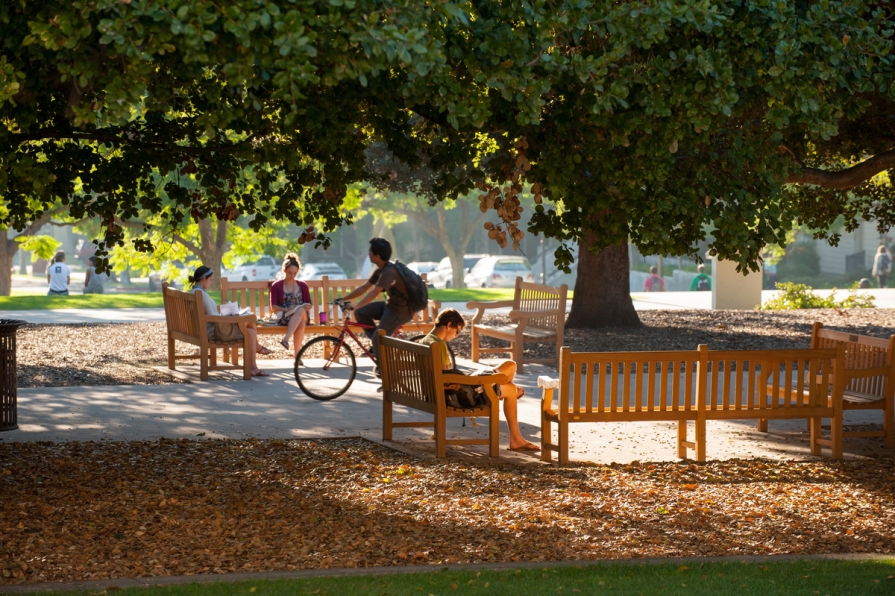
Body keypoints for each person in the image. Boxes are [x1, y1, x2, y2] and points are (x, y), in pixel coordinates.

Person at [418, 309, 539, 451]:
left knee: (510, 367)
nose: (457, 335)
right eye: (457, 331)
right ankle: (515, 437)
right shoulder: (438, 345)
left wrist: (465, 377)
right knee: (511, 383)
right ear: (449, 324)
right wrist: (466, 380)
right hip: (460, 396)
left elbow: (442, 376)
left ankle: (498, 391)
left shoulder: (424, 341)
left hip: (444, 393)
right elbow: (446, 380)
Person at [338, 238, 414, 368]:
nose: (368, 254)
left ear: (377, 256)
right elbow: (364, 288)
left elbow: (374, 292)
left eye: (370, 251)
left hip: (401, 311)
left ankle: (385, 370)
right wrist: (343, 299)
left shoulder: (389, 272)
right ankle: (380, 347)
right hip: (391, 306)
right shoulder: (381, 270)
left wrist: (356, 304)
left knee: (376, 338)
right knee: (360, 313)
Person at [188, 265, 271, 377]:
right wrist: (230, 316)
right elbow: (212, 316)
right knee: (250, 318)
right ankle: (257, 349)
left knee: (250, 332)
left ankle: (253, 368)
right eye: (210, 280)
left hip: (207, 329)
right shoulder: (201, 294)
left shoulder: (193, 292)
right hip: (215, 332)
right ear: (204, 278)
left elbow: (209, 312)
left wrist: (226, 310)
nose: (210, 282)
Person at [269, 253, 312, 356]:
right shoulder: (277, 286)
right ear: (284, 271)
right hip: (285, 316)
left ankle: (286, 339)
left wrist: (306, 307)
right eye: (289, 273)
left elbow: (309, 304)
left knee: (301, 310)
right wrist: (287, 309)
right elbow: (273, 307)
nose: (292, 276)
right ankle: (297, 357)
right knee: (300, 323)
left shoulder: (302, 285)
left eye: (294, 273)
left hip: (303, 314)